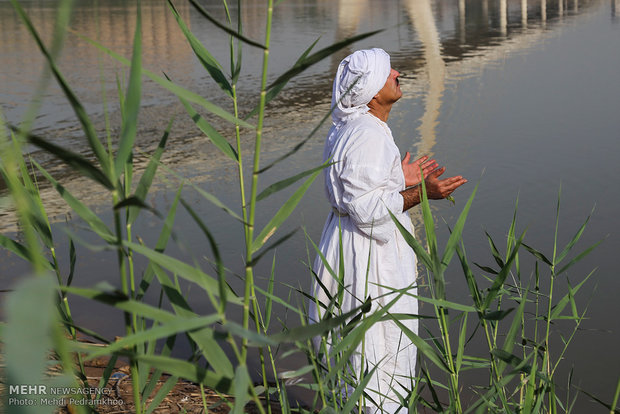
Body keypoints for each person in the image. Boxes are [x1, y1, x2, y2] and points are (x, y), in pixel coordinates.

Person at [309, 48, 467, 413]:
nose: (397, 72)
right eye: (387, 71)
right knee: (380, 357)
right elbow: (366, 211)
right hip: (369, 259)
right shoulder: (368, 134)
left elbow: (359, 192)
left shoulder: (351, 128)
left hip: (344, 244)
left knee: (357, 358)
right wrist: (422, 193)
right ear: (372, 91)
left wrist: (398, 177)